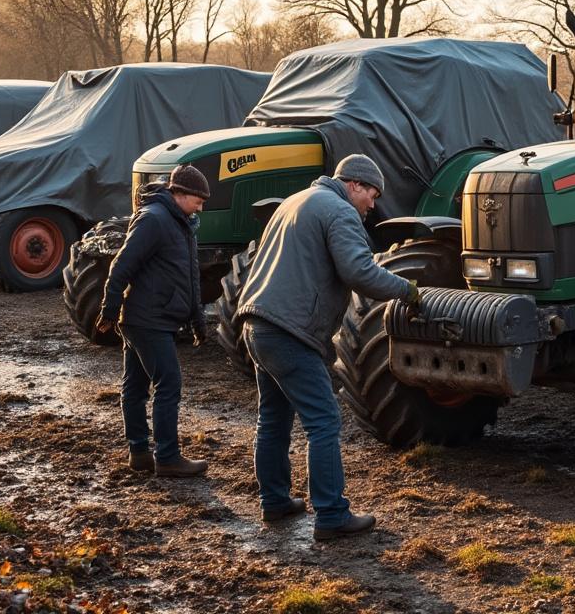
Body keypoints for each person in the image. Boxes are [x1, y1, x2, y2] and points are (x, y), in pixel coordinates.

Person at [237, 154, 420, 540]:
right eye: (372, 193)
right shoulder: (338, 211)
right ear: (354, 184)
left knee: (272, 418)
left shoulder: (296, 201)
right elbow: (359, 271)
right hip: (290, 330)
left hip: (257, 322)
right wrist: (407, 290)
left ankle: (275, 501)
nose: (373, 204)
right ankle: (332, 515)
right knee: (324, 421)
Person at [97, 165, 211, 478]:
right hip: (148, 319)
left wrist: (198, 322)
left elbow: (190, 278)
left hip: (150, 317)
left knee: (135, 385)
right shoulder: (154, 220)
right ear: (180, 194)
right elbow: (122, 265)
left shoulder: (180, 223)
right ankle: (168, 457)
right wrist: (109, 309)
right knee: (168, 383)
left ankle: (139, 453)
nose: (201, 206)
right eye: (198, 200)